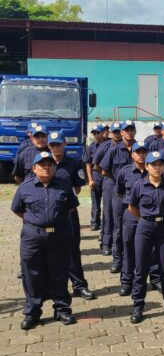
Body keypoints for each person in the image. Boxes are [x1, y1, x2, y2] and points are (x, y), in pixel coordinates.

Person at [12, 152, 79, 330]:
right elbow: (17, 209)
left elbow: (72, 207)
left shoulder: (64, 186)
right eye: (42, 164)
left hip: (59, 236)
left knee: (59, 272)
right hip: (33, 237)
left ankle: (62, 309)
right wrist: (37, 222)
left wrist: (54, 221)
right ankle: (32, 312)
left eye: (50, 164)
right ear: (34, 168)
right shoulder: (25, 187)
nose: (46, 167)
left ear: (54, 167)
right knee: (32, 274)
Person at [128, 151, 164, 323]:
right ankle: (138, 306)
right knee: (141, 268)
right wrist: (147, 219)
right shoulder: (139, 185)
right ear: (147, 167)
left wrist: (162, 217)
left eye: (160, 164)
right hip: (145, 227)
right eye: (154, 165)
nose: (158, 168)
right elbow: (132, 208)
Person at [48, 131, 97, 301]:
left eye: (58, 144)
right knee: (51, 252)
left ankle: (79, 286)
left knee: (72, 250)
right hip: (49, 214)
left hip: (69, 212)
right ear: (49, 146)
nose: (56, 147)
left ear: (64, 144)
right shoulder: (43, 163)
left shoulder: (74, 164)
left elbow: (77, 188)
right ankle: (54, 289)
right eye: (52, 145)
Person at [116, 141, 161, 296]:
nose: (141, 154)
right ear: (132, 154)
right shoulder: (125, 172)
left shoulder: (154, 171)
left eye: (144, 152)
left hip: (150, 215)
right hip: (132, 215)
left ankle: (155, 279)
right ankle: (127, 282)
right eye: (138, 152)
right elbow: (120, 192)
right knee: (128, 248)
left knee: (153, 248)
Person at [99, 120, 136, 273]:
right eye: (126, 130)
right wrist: (119, 180)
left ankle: (134, 260)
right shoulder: (114, 149)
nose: (129, 132)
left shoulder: (140, 148)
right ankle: (117, 260)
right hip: (120, 194)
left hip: (138, 196)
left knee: (136, 228)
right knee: (119, 228)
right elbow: (103, 170)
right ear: (121, 132)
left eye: (131, 129)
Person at [93, 122, 122, 255]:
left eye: (118, 131)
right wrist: (112, 176)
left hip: (126, 185)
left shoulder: (130, 147)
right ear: (110, 133)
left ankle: (121, 242)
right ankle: (106, 243)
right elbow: (96, 165)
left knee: (123, 215)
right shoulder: (106, 146)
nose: (117, 134)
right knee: (109, 214)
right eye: (114, 132)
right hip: (111, 183)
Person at [83, 124, 107, 231]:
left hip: (107, 177)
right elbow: (88, 165)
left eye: (98, 133)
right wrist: (90, 179)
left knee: (107, 202)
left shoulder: (109, 145)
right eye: (94, 133)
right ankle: (95, 222)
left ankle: (106, 223)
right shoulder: (91, 147)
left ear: (103, 133)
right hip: (96, 177)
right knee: (95, 202)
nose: (96, 135)